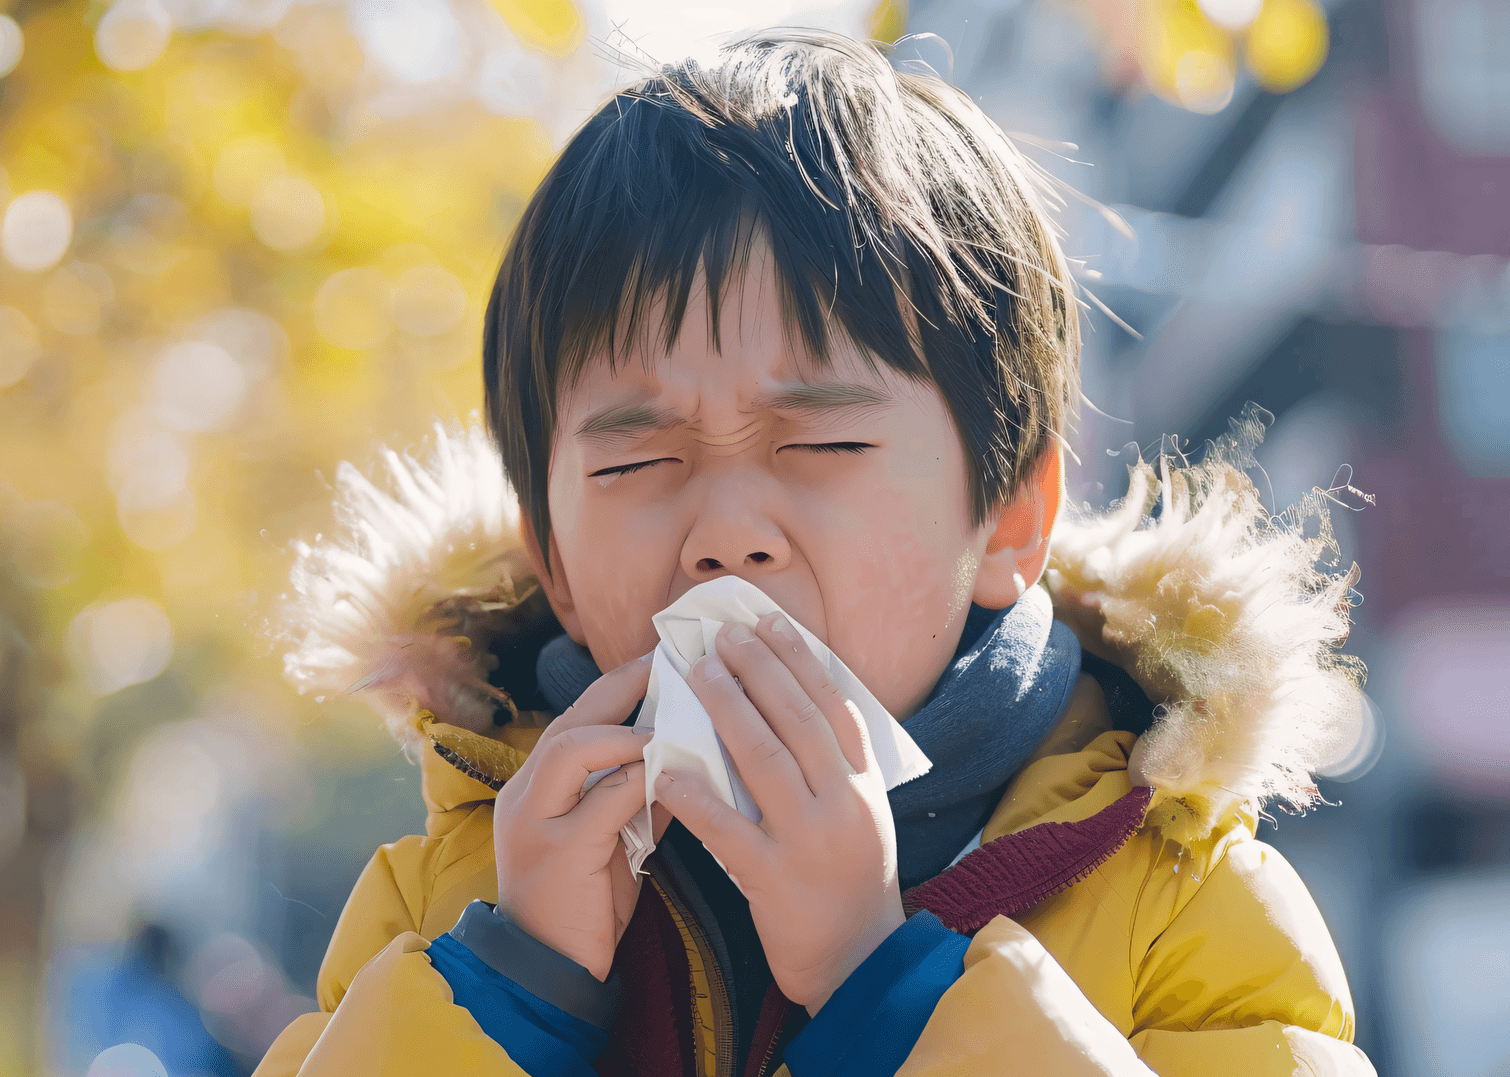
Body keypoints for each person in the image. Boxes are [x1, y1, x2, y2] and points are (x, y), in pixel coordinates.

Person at [257, 29, 1372, 1077]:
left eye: (825, 441)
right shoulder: (450, 902)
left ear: (1010, 520)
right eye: (635, 464)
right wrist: (513, 992)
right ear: (548, 552)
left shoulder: (1185, 903)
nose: (728, 534)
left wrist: (881, 985)